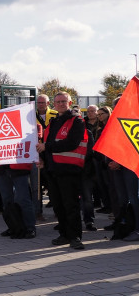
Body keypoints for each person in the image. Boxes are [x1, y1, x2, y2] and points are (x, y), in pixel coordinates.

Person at [37, 92, 87, 250]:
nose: (60, 104)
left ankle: (75, 237)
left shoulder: (77, 121)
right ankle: (64, 234)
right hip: (53, 170)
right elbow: (47, 143)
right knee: (58, 206)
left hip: (69, 170)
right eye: (57, 101)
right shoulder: (53, 122)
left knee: (70, 205)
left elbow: (71, 143)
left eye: (63, 101)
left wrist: (47, 147)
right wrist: (42, 159)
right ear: (53, 104)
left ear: (70, 102)